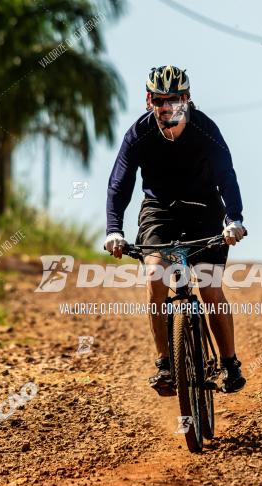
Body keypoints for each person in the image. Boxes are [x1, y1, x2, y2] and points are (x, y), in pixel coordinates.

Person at [104, 65, 247, 395]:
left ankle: (229, 363)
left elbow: (227, 176)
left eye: (175, 99)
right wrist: (114, 229)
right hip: (159, 211)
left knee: (209, 287)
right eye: (159, 100)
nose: (167, 107)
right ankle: (165, 363)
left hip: (204, 209)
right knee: (155, 277)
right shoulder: (138, 134)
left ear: (187, 99)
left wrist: (234, 219)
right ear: (148, 100)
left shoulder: (205, 129)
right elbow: (118, 185)